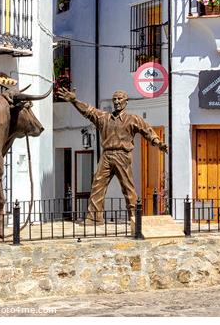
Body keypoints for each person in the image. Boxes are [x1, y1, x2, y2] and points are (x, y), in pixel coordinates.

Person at [56, 87, 168, 224]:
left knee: (128, 187)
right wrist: (74, 101)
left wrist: (158, 143)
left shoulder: (133, 119)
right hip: (107, 155)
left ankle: (134, 217)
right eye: (114, 99)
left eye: (120, 98)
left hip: (123, 155)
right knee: (97, 184)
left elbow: (147, 131)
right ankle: (94, 217)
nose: (116, 101)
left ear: (126, 101)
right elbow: (88, 111)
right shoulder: (104, 118)